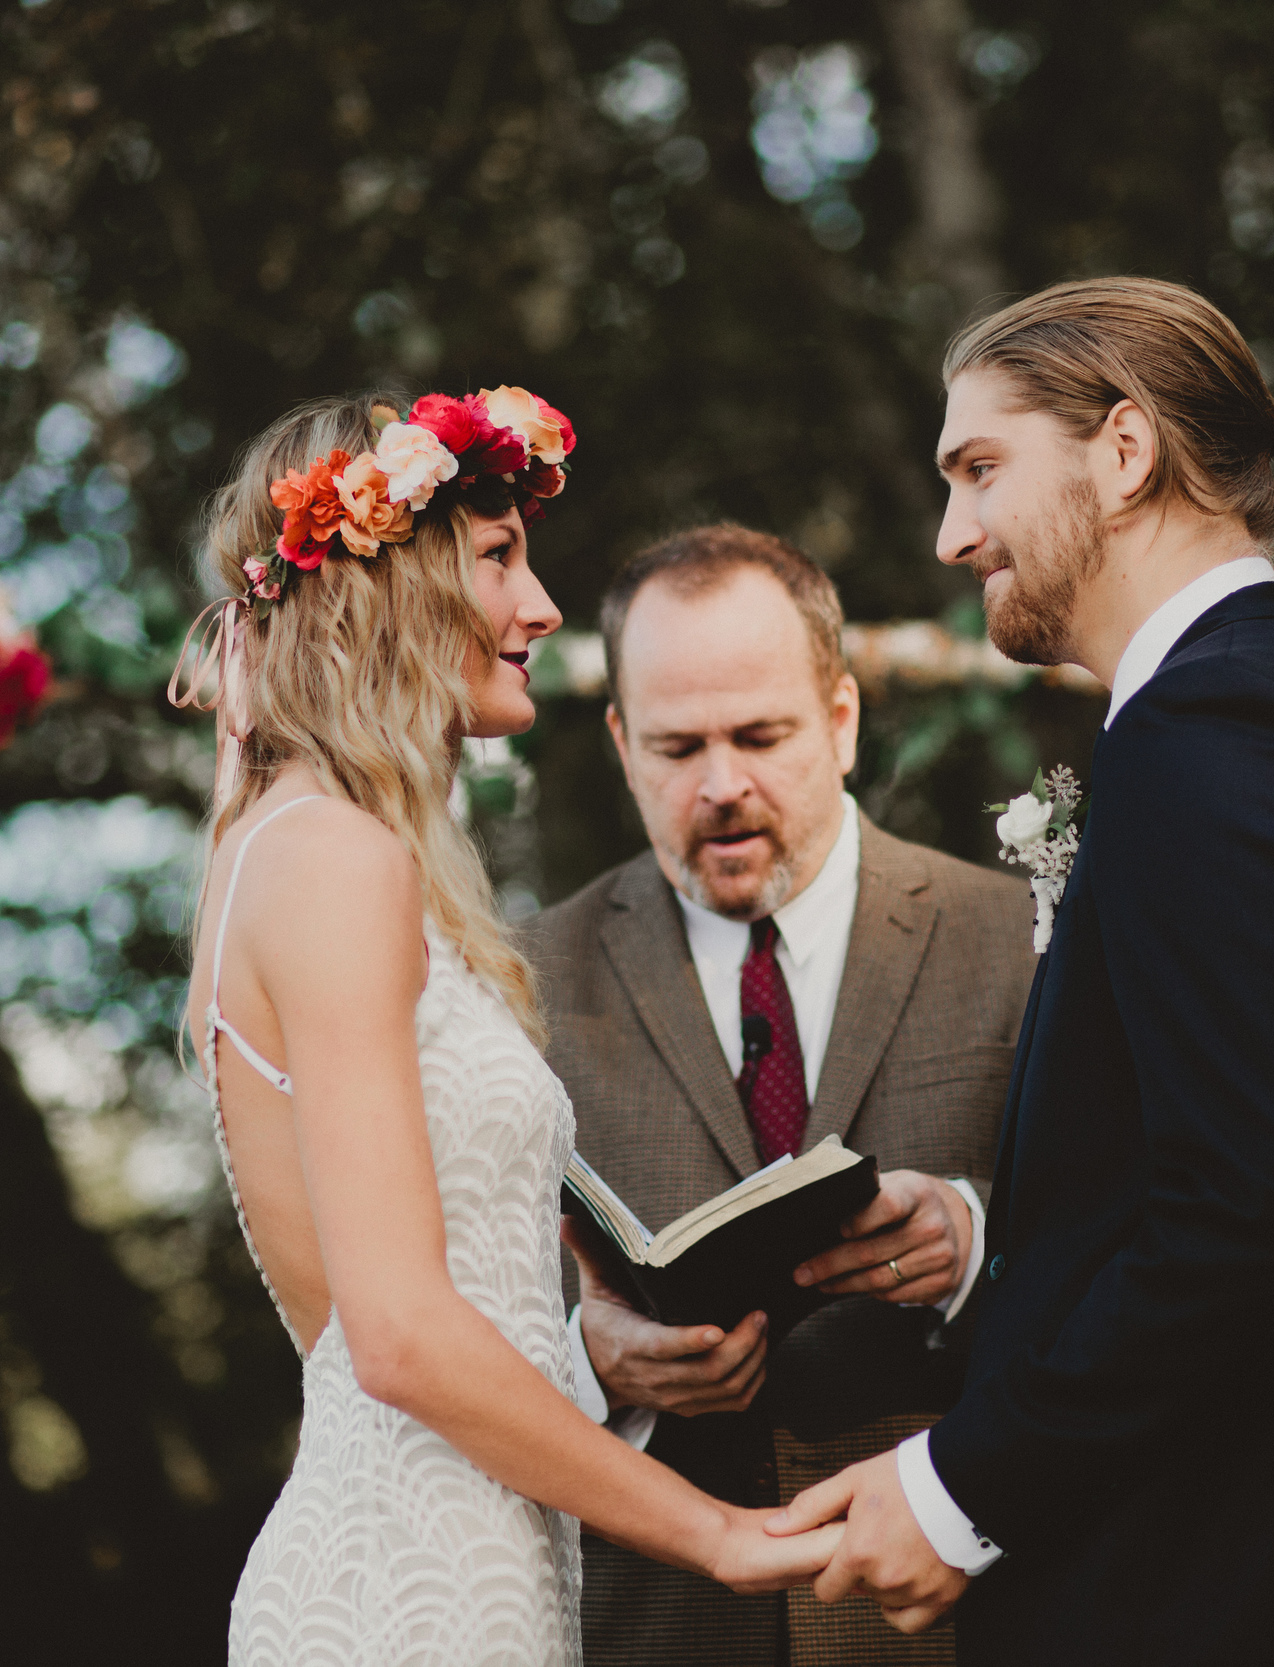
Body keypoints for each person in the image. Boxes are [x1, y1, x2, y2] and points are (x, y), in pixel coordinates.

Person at [770, 277, 1274, 1662]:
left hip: (1248, 1581)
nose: (951, 535)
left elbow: (1246, 1208)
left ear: (1125, 451)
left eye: (980, 469)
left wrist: (954, 1489)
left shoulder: (1216, 724)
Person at [175, 392, 840, 1667]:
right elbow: (402, 1335)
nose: (539, 606)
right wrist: (722, 1535)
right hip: (405, 1583)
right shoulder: (333, 858)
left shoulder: (308, 848)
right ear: (388, 587)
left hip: (469, 1561)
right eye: (498, 559)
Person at [523, 526, 1034, 1665]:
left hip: (964, 1618)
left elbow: (1147, 1243)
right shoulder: (523, 982)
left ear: (842, 719)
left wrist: (973, 1234)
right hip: (655, 1625)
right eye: (675, 746)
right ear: (616, 741)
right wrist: (591, 1362)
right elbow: (441, 1328)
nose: (720, 785)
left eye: (760, 735)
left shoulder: (1017, 938)